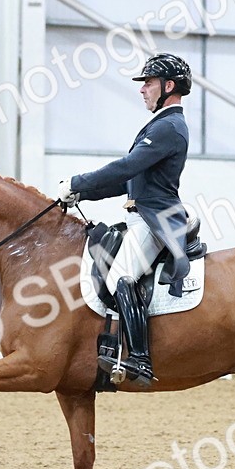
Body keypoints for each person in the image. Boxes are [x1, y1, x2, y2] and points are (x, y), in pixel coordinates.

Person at [55, 53, 193, 387]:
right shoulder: (160, 125)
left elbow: (126, 167)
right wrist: (82, 196)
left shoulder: (169, 126)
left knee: (121, 277)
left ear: (168, 85)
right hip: (140, 217)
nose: (142, 89)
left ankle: (140, 360)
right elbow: (125, 182)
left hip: (154, 220)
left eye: (148, 83)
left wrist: (77, 182)